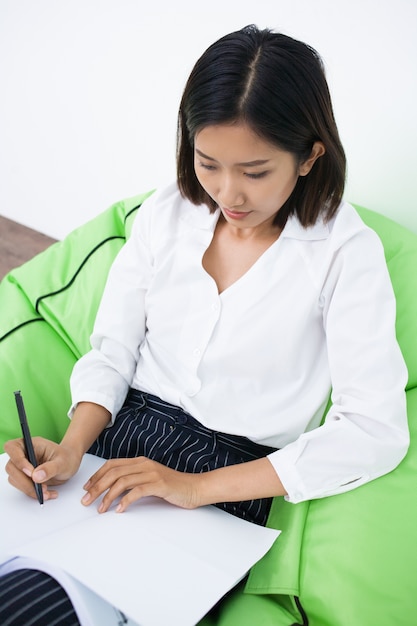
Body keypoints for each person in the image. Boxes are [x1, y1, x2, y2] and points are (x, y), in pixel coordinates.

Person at [1, 24, 409, 625]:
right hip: (117, 449)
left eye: (255, 170)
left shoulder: (346, 255)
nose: (227, 192)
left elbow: (373, 430)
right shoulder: (166, 213)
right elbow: (112, 351)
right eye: (207, 163)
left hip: (222, 489)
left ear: (309, 156)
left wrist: (192, 488)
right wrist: (69, 449)